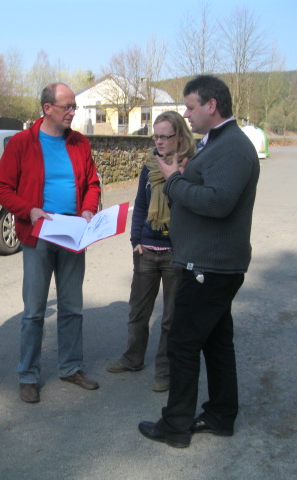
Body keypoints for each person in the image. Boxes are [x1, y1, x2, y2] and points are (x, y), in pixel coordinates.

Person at [137, 75, 260, 448]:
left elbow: (218, 203)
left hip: (209, 267)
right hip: (209, 264)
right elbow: (210, 191)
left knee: (183, 345)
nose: (186, 114)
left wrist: (174, 181)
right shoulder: (219, 144)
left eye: (190, 106)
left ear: (211, 106)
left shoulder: (233, 148)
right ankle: (222, 415)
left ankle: (175, 427)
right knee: (217, 343)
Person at [0, 83, 102, 403]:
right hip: (38, 236)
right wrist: (30, 211)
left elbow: (92, 182)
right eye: (66, 107)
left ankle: (70, 368)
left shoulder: (80, 143)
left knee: (72, 308)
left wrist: (87, 209)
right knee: (34, 311)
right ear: (47, 108)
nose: (72, 112)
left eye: (74, 107)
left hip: (73, 235)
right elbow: (1, 187)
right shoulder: (22, 143)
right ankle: (28, 375)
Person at [106, 111, 195, 393]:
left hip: (175, 251)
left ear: (179, 136)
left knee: (170, 318)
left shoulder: (190, 165)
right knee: (138, 311)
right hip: (147, 248)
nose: (159, 141)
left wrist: (178, 179)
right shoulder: (149, 164)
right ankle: (133, 358)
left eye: (165, 136)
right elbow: (141, 205)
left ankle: (165, 371)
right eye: (155, 136)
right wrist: (136, 240)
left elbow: (192, 208)